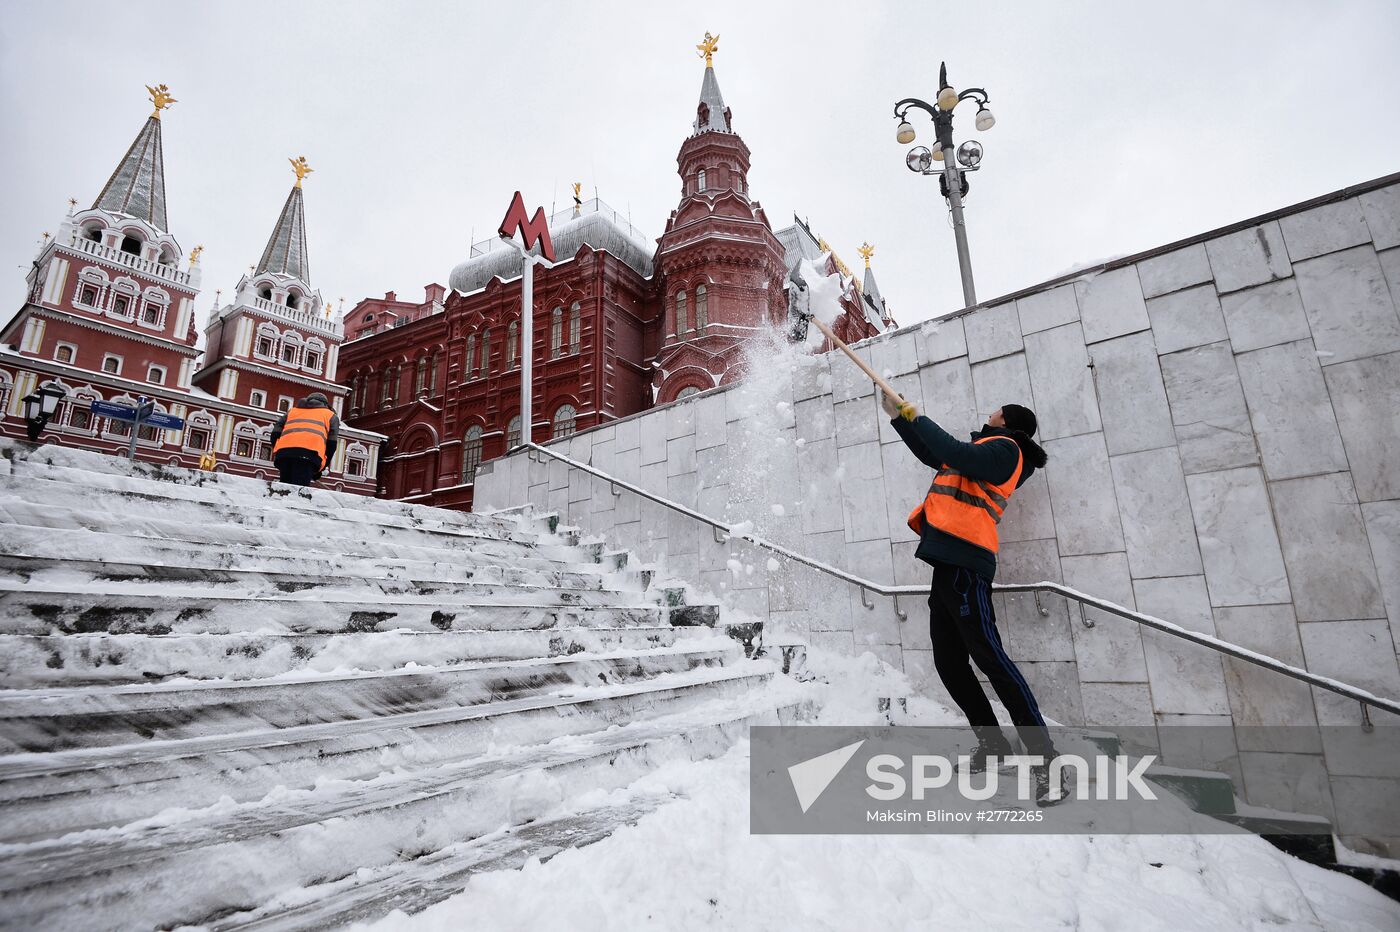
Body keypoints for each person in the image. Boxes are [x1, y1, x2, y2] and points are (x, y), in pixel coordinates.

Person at [882, 391, 1065, 805]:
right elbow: (936, 455)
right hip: (949, 564)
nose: (991, 411)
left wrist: (917, 415)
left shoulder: (1008, 450)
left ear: (1008, 421)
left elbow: (954, 452)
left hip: (967, 564)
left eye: (997, 410)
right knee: (949, 663)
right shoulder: (984, 450)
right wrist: (900, 419)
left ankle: (1047, 761)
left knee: (992, 661)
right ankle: (993, 743)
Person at [270, 392, 340, 487]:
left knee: (284, 488)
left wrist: (278, 450)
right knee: (298, 490)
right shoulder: (331, 416)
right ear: (325, 404)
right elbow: (331, 445)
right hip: (310, 456)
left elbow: (275, 433)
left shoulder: (292, 411)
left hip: (285, 454)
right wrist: (320, 468)